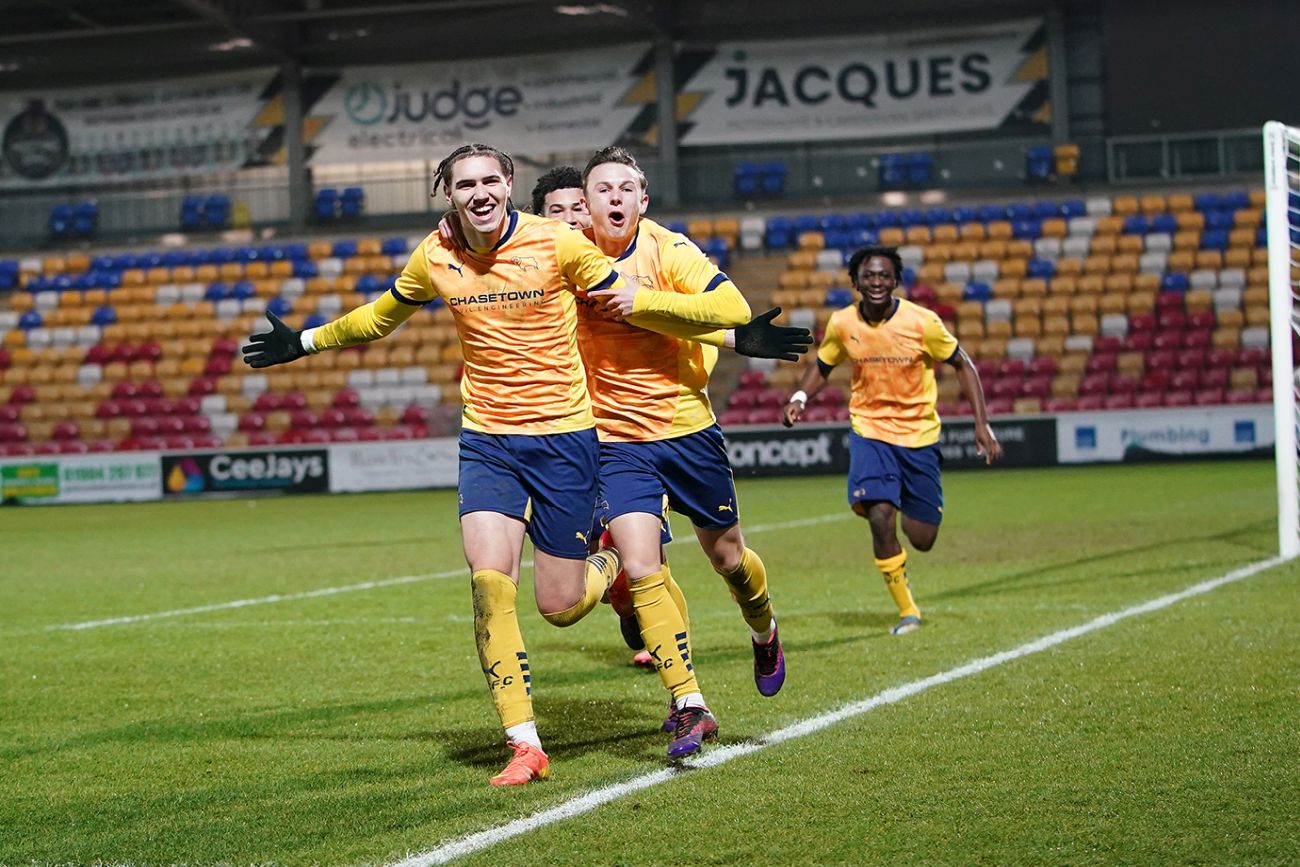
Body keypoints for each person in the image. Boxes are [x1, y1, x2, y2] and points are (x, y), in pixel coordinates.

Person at [242, 143, 750, 785]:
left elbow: (634, 301)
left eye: (489, 180)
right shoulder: (436, 255)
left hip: (566, 440)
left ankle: (614, 560)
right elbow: (380, 318)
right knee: (489, 582)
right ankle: (524, 743)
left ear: (508, 184)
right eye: (464, 184)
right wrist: (306, 341)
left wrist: (735, 333)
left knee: (560, 607)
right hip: (487, 440)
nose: (478, 192)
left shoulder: (558, 245)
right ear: (447, 194)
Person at [576, 147, 797, 756]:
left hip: (687, 430)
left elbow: (732, 310)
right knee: (642, 565)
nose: (616, 197)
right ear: (586, 203)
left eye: (627, 188)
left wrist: (642, 302)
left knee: (730, 560)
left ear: (643, 201)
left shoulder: (666, 249)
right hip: (616, 441)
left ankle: (764, 627)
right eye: (603, 189)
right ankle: (690, 703)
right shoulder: (570, 257)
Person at [782, 244, 1002, 635]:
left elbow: (963, 365)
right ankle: (908, 611)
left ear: (896, 281)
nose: (877, 282)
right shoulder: (843, 323)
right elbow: (822, 365)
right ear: (856, 283)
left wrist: (980, 423)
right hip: (870, 431)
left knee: (922, 538)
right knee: (880, 517)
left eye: (885, 276)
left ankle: (911, 523)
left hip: (919, 435)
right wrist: (800, 397)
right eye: (869, 276)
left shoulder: (923, 323)